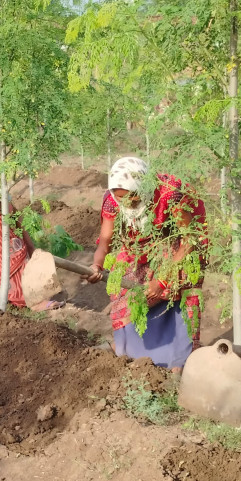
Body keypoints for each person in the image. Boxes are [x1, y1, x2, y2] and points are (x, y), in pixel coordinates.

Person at [85, 157, 207, 369]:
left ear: (144, 190)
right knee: (127, 292)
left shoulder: (170, 195)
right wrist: (97, 265)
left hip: (176, 245)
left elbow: (189, 240)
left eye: (132, 199)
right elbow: (105, 241)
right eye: (120, 198)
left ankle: (180, 361)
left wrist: (161, 281)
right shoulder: (112, 201)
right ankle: (124, 349)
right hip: (138, 247)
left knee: (182, 284)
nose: (126, 204)